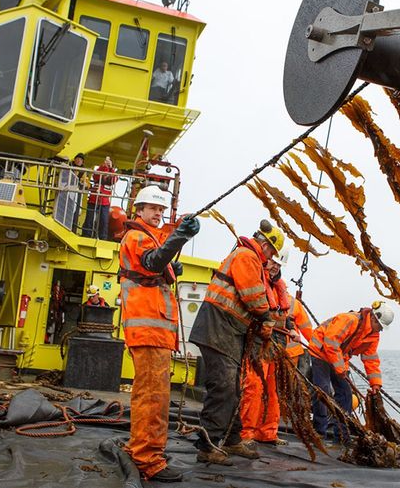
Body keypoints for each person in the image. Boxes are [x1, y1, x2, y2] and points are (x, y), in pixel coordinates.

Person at [118, 184, 200, 483]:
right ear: (138, 210)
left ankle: (140, 449)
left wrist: (171, 267)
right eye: (153, 209)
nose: (158, 214)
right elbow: (152, 261)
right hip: (149, 330)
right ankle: (148, 460)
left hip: (153, 332)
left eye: (161, 210)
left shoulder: (144, 237)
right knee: (154, 397)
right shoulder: (137, 236)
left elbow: (153, 265)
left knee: (150, 395)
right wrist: (181, 234)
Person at [189, 219, 286, 465]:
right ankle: (208, 446)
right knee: (223, 388)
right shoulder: (246, 256)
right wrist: (266, 319)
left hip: (227, 331)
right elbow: (252, 295)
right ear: (265, 245)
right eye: (271, 253)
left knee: (233, 387)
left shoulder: (250, 258)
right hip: (217, 328)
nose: (270, 258)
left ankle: (231, 439)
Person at [239, 245, 305, 446]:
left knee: (274, 390)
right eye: (273, 262)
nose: (275, 267)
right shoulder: (256, 280)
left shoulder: (280, 286)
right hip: (258, 343)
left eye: (279, 264)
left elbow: (285, 315)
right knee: (253, 387)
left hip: (277, 346)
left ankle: (268, 432)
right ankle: (246, 433)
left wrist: (292, 329)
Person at [309, 301, 394, 442]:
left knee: (345, 394)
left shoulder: (373, 335)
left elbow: (370, 359)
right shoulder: (349, 320)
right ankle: (319, 433)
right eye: (379, 326)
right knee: (322, 391)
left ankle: (342, 435)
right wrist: (341, 368)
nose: (380, 330)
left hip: (338, 358)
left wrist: (375, 383)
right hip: (320, 353)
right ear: (373, 317)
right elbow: (330, 343)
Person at [82, 156, 117, 240]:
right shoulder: (99, 170)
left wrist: (111, 168)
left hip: (105, 201)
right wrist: (104, 167)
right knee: (89, 218)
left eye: (109, 162)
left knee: (104, 221)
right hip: (94, 199)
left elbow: (113, 180)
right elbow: (96, 177)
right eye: (106, 162)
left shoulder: (113, 174)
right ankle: (86, 234)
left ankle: (103, 237)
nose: (107, 163)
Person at [71, 153, 90, 234]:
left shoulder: (83, 171)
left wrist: (85, 184)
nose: (79, 160)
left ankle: (73, 227)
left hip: (77, 192)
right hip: (68, 190)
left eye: (81, 160)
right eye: (77, 158)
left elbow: (87, 183)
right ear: (74, 159)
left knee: (77, 211)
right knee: (69, 209)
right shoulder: (69, 167)